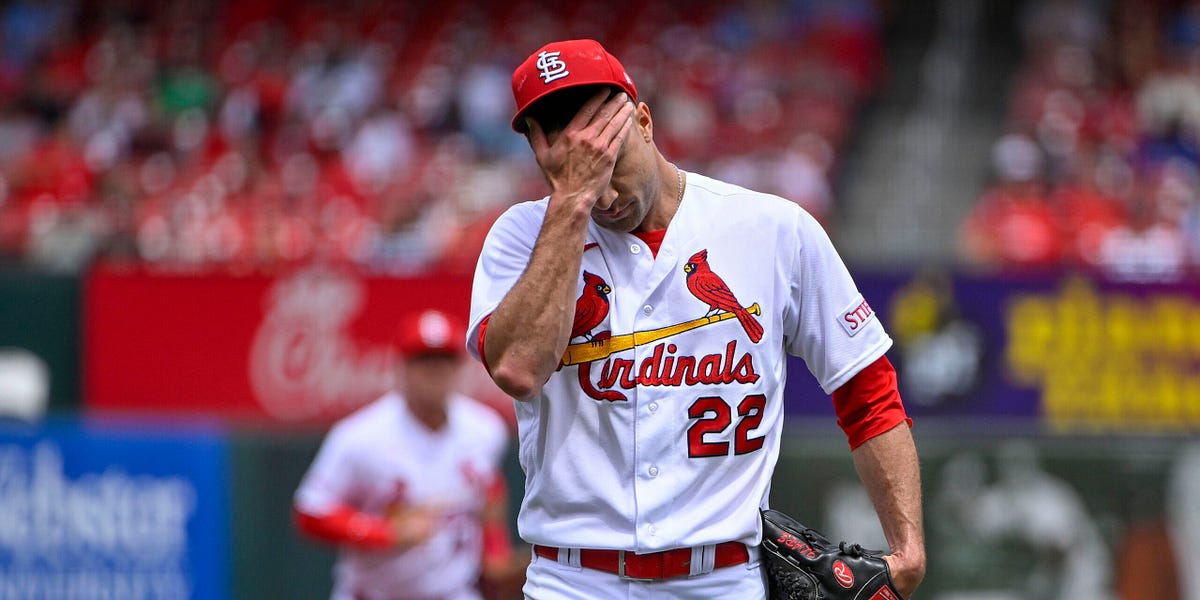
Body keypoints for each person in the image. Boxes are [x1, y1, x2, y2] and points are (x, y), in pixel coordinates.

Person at [466, 39, 926, 599]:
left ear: (644, 120)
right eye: (568, 167)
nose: (602, 189)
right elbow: (516, 368)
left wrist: (907, 549)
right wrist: (571, 202)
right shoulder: (523, 237)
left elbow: (866, 387)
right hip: (575, 579)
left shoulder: (772, 228)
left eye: (609, 158)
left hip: (724, 579)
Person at [293, 308, 518, 600]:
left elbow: (490, 495)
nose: (435, 372)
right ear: (401, 367)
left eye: (444, 360)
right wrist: (382, 532)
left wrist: (496, 553)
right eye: (423, 360)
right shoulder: (359, 435)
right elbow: (310, 510)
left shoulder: (485, 429)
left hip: (454, 592)